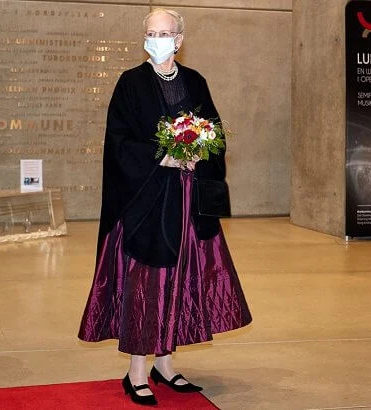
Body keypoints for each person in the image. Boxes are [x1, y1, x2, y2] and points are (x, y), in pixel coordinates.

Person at [78, 8, 252, 406]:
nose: (157, 39)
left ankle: (165, 364)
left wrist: (198, 153)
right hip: (147, 203)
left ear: (179, 39)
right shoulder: (130, 84)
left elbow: (216, 134)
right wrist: (163, 156)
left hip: (188, 202)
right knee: (146, 285)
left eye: (165, 33)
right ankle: (136, 371)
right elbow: (117, 144)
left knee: (180, 282)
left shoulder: (195, 82)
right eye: (151, 33)